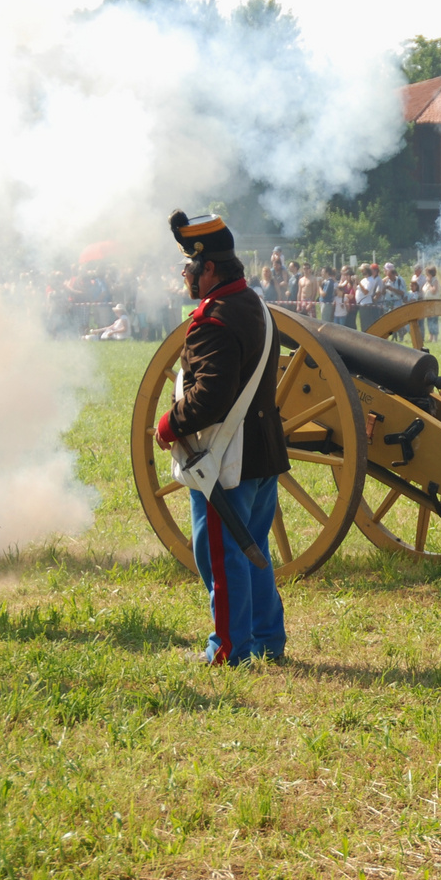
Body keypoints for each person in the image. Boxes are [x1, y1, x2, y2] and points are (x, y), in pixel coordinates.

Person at [155, 211, 289, 664]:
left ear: (208, 267)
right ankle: (267, 638)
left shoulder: (213, 320)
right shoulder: (252, 305)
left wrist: (167, 426)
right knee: (253, 547)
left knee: (222, 557)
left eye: (190, 265)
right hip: (261, 453)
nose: (185, 273)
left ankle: (229, 649)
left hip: (226, 460)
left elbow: (210, 396)